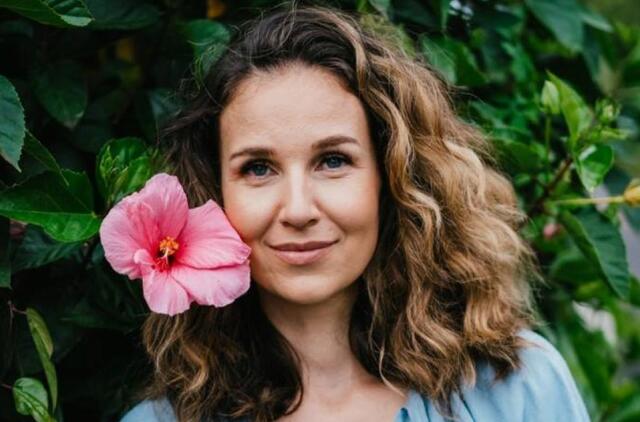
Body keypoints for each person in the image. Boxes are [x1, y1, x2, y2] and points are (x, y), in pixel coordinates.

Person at [120, 4, 590, 422]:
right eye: (258, 168)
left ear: (393, 176)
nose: (298, 210)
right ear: (214, 191)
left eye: (332, 161)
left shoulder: (518, 388)